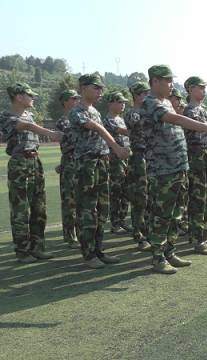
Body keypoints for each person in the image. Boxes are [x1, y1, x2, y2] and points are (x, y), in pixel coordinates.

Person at [142, 65, 207, 274]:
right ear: (154, 81)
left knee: (176, 213)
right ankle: (157, 257)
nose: (171, 84)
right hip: (163, 168)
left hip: (178, 165)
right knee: (162, 214)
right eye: (167, 80)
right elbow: (177, 120)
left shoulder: (166, 103)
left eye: (171, 80)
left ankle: (169, 252)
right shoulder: (151, 102)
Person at [69, 74, 130, 269]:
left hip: (101, 163)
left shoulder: (94, 110)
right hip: (87, 165)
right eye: (96, 88)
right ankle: (88, 254)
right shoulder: (76, 111)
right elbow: (96, 128)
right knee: (87, 210)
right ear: (83, 88)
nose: (100, 92)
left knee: (102, 209)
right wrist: (116, 147)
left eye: (101, 88)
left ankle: (98, 250)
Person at [1, 82, 63, 263]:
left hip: (35, 161)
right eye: (30, 95)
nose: (33, 97)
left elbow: (29, 125)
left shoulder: (29, 115)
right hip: (19, 163)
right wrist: (50, 133)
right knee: (20, 210)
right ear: (19, 97)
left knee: (39, 208)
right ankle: (22, 251)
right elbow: (23, 126)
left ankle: (37, 247)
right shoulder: (7, 116)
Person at [182, 76, 207, 255]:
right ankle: (198, 240)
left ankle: (204, 236)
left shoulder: (202, 110)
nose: (203, 91)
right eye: (200, 88)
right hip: (196, 154)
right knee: (198, 198)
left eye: (205, 88)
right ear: (190, 89)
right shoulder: (188, 111)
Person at [124, 81, 152, 251]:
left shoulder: (147, 111)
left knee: (150, 197)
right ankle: (139, 234)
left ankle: (148, 232)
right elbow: (140, 125)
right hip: (139, 157)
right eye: (144, 93)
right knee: (140, 198)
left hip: (150, 156)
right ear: (137, 95)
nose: (147, 96)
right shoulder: (133, 114)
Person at [55, 89, 82, 249]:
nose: (77, 100)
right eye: (74, 98)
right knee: (69, 201)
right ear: (65, 101)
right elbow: (68, 144)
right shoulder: (63, 122)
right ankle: (70, 236)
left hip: (81, 161)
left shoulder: (79, 119)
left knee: (81, 200)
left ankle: (80, 233)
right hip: (71, 161)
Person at [103, 91, 132, 234]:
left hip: (126, 158)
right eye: (120, 102)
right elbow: (123, 132)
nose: (123, 105)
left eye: (124, 102)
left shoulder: (121, 119)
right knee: (116, 192)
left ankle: (122, 220)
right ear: (111, 103)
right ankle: (115, 223)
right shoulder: (107, 120)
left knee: (125, 191)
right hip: (115, 160)